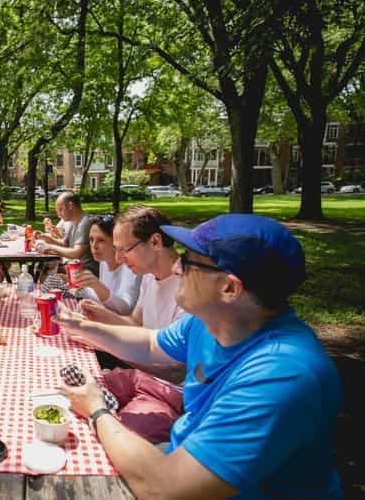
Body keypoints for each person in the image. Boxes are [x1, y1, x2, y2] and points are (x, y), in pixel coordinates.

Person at [57, 214, 343, 499]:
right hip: (179, 457)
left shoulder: (282, 375)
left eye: (190, 261)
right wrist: (76, 324)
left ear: (230, 288)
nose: (177, 267)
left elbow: (164, 489)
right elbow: (148, 342)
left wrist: (97, 410)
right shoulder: (209, 321)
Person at [74, 205, 185, 443]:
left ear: (156, 242)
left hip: (171, 394)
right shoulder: (149, 276)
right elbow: (136, 323)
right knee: (71, 392)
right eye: (116, 250)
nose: (118, 259)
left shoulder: (189, 289)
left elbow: (176, 371)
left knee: (113, 436)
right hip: (139, 375)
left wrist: (107, 342)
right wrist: (101, 316)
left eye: (124, 249)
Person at [72, 213, 142, 315]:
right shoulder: (104, 262)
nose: (94, 246)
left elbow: (126, 308)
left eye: (101, 240)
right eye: (91, 240)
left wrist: (96, 286)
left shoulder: (131, 266)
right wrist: (82, 287)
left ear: (116, 242)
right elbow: (104, 300)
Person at [34, 191, 98, 277]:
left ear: (70, 206)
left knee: (44, 272)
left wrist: (50, 247)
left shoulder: (85, 223)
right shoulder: (73, 222)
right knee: (42, 270)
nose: (58, 214)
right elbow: (64, 244)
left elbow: (76, 253)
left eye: (60, 209)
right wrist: (46, 238)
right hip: (75, 269)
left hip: (86, 273)